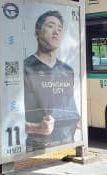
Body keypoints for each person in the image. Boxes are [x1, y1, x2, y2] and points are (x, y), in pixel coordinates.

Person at [24, 10, 80, 151]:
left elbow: (69, 103)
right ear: (37, 32)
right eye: (50, 26)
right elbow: (7, 116)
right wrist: (36, 128)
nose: (56, 32)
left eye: (60, 29)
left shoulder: (67, 69)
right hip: (37, 145)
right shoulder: (25, 67)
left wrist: (78, 119)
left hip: (67, 140)